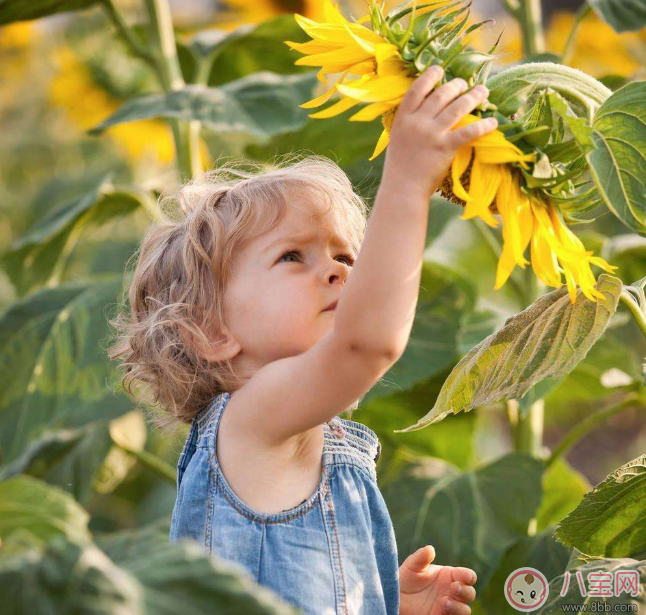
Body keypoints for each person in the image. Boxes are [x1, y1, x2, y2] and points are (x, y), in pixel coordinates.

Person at [109, 65, 495, 615]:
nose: (340, 273)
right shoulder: (249, 420)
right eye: (294, 256)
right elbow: (367, 343)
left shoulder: (314, 437)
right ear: (210, 331)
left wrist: (383, 597)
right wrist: (408, 176)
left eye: (346, 257)